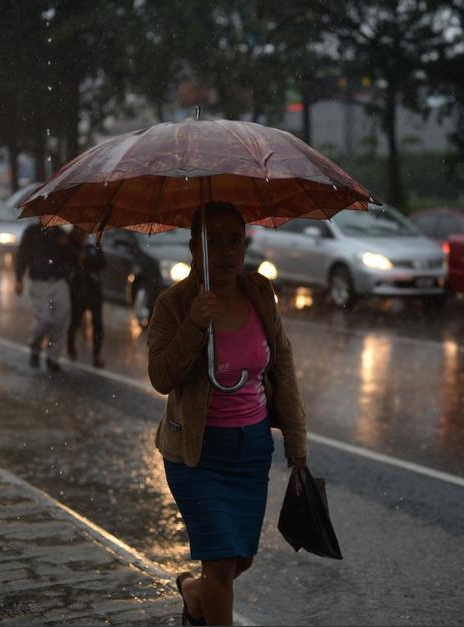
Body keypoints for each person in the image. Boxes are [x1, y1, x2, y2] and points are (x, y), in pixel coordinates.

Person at [147, 202, 308, 626]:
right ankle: (204, 598)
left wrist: (297, 443)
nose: (226, 251)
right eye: (213, 241)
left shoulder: (259, 292)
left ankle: (193, 593)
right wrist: (193, 325)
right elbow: (161, 376)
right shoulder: (174, 303)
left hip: (252, 448)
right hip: (196, 454)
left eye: (234, 240)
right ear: (193, 248)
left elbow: (282, 365)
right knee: (219, 564)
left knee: (241, 558)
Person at [15, 223, 74, 373]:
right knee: (44, 320)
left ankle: (52, 358)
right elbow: (22, 254)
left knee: (60, 321)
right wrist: (19, 278)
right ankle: (35, 348)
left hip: (59, 281)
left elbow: (72, 258)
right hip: (39, 282)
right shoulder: (32, 232)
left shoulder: (61, 233)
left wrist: (67, 245)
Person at [66, 229, 106, 368]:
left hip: (94, 291)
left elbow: (102, 262)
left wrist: (87, 260)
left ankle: (96, 355)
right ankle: (70, 346)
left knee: (98, 325)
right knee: (75, 321)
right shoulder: (71, 243)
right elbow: (68, 260)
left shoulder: (94, 244)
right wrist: (77, 258)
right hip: (77, 292)